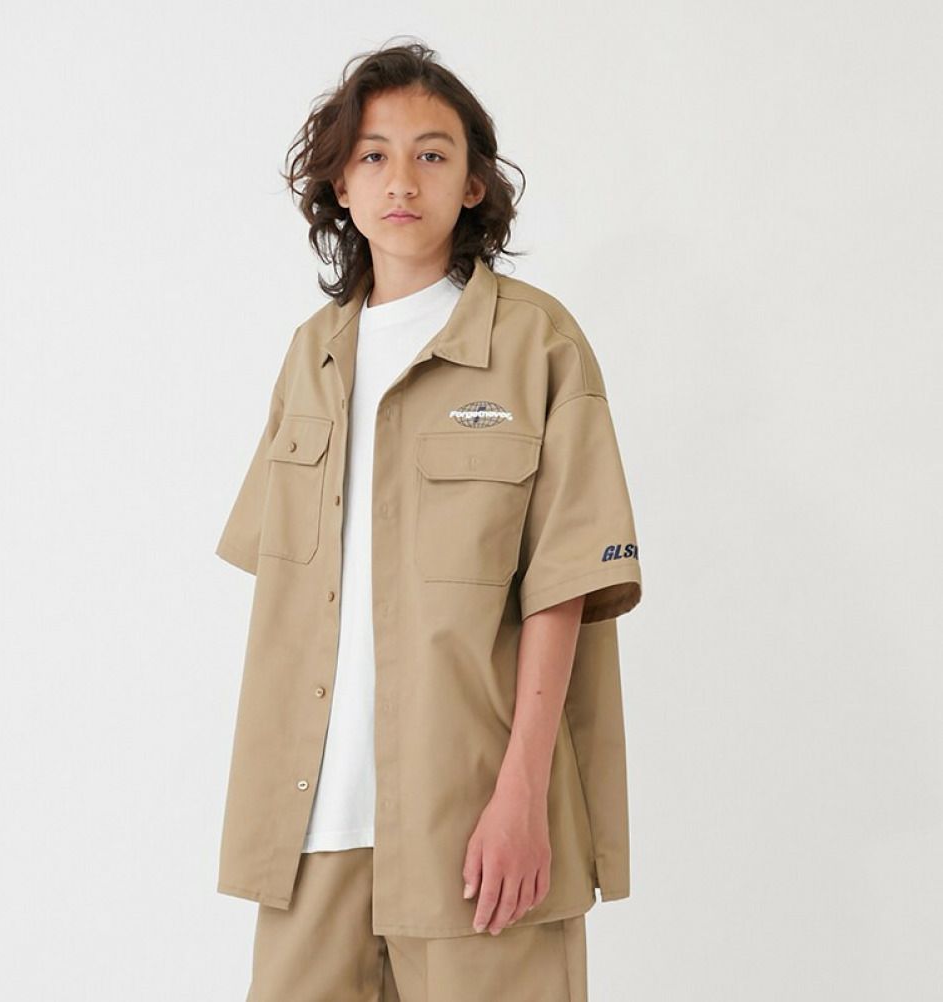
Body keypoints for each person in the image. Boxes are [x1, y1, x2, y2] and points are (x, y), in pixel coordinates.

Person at [214, 39, 643, 1002]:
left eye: (432, 154)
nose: (401, 179)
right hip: (311, 836)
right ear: (341, 183)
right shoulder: (311, 356)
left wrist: (524, 796)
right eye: (373, 154)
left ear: (474, 184)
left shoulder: (538, 343)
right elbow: (289, 593)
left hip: (474, 823)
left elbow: (564, 587)